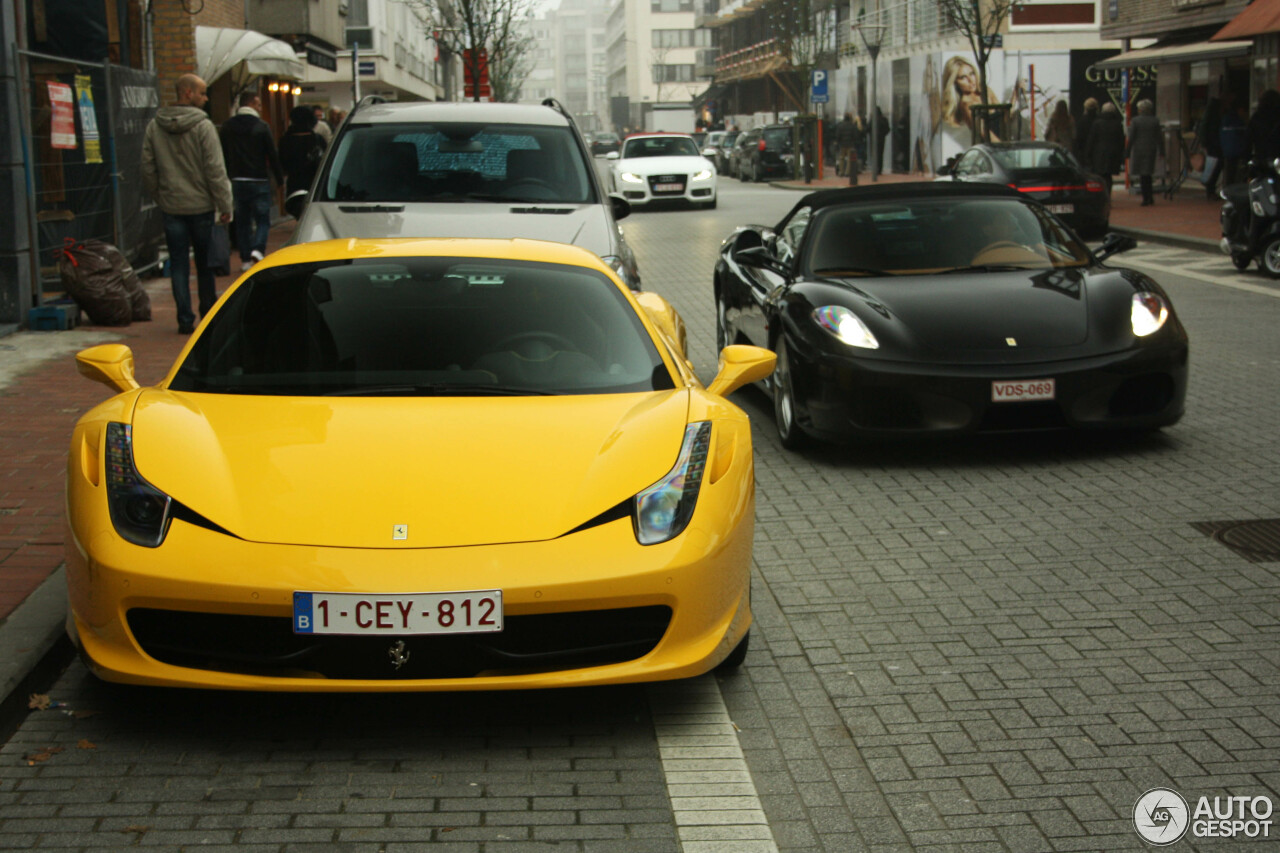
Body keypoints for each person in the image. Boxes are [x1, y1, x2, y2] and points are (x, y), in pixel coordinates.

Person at [141, 73, 233, 335]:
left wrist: (159, 194)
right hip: (201, 205)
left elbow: (147, 167)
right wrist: (224, 204)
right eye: (203, 93)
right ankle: (207, 314)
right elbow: (214, 169)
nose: (206, 98)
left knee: (179, 263)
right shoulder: (203, 127)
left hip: (172, 206)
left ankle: (184, 318)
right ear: (188, 93)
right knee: (205, 264)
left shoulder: (155, 126)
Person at [220, 92, 283, 272]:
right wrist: (279, 179)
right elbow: (272, 153)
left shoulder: (227, 127)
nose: (261, 109)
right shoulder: (262, 127)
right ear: (254, 103)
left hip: (237, 179)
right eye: (260, 105)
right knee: (263, 219)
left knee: (242, 221)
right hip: (258, 178)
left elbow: (222, 154)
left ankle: (245, 259)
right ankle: (258, 248)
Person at [939, 55, 1001, 152]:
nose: (971, 80)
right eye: (963, 77)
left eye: (971, 74)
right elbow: (986, 135)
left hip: (1006, 144)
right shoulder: (966, 105)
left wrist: (1015, 94)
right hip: (991, 151)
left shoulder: (986, 91)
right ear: (955, 82)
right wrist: (1006, 151)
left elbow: (1006, 117)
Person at [278, 104, 327, 200]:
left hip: (294, 183)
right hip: (315, 183)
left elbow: (282, 162)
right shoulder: (317, 140)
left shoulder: (285, 140)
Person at [1085, 101, 1125, 196]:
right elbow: (1121, 140)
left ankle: (1101, 196)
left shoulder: (1097, 123)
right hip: (1113, 154)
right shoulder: (1117, 124)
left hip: (1099, 153)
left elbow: (1092, 140)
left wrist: (1088, 154)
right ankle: (1108, 195)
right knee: (1108, 176)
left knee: (1100, 176)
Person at [1126, 99, 1162, 206]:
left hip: (1138, 150)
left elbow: (1131, 137)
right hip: (1151, 149)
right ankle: (1149, 196)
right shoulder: (1155, 121)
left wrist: (1127, 151)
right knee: (1148, 174)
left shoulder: (1135, 121)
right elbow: (1159, 137)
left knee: (1142, 175)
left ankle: (1145, 198)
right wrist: (1162, 150)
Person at [1246, 89, 1280, 166]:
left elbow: (1248, 139)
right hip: (1276, 159)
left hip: (1261, 159)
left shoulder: (1257, 117)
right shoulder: (1277, 116)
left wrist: (1246, 158)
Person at [1199, 97, 1224, 199]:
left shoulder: (1208, 116)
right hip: (1214, 144)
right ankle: (1210, 189)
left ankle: (1210, 188)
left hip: (1212, 144)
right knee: (1215, 166)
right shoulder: (1215, 117)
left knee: (1213, 165)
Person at [1220, 99, 1247, 186]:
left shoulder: (1225, 119)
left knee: (1229, 172)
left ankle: (1228, 188)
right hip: (1236, 150)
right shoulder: (1238, 121)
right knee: (1234, 172)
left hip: (1227, 150)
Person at [835, 112, 860, 181]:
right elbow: (855, 135)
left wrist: (838, 142)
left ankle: (841, 172)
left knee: (841, 158)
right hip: (850, 144)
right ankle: (847, 172)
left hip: (842, 144)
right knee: (849, 159)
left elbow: (837, 135)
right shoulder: (852, 125)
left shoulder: (840, 125)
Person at [1074, 98, 1099, 162]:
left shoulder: (1081, 121)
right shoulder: (1099, 120)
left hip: (1084, 151)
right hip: (1097, 152)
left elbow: (1078, 138)